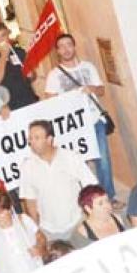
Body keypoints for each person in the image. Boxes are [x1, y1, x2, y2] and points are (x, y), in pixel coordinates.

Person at [45, 33, 122, 209]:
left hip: (94, 120)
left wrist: (92, 88)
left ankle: (109, 197)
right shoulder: (54, 75)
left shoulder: (88, 67)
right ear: (58, 51)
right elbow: (50, 101)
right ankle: (87, 201)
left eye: (69, 45)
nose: (66, 49)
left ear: (74, 46)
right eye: (61, 46)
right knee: (79, 163)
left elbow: (101, 90)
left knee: (103, 160)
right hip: (73, 127)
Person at [19, 120, 97, 240]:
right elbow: (30, 202)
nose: (31, 142)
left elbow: (91, 187)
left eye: (36, 138)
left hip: (78, 223)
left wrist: (93, 217)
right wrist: (36, 232)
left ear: (49, 139)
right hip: (48, 231)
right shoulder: (27, 167)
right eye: (30, 138)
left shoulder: (70, 157)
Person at [0, 190, 45, 273]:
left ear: (9, 209)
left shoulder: (23, 220)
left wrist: (39, 247)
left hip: (34, 272)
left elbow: (41, 237)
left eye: (1, 213)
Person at [0, 22, 38, 110]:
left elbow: (33, 76)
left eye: (3, 35)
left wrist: (31, 74)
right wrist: (3, 56)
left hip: (29, 99)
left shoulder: (19, 51)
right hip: (10, 105)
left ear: (8, 35)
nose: (1, 39)